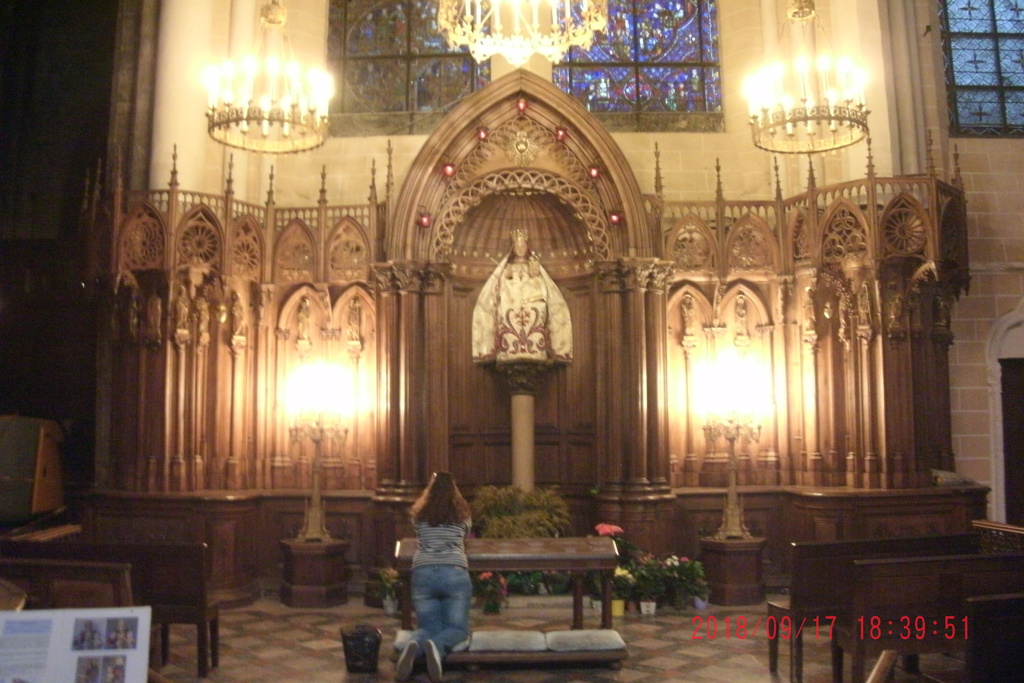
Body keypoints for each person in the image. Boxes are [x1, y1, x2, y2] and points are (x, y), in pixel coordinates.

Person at [395, 472, 472, 682]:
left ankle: (414, 645)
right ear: (454, 492)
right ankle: (436, 649)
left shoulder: (418, 516)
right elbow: (464, 535)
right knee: (458, 628)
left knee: (428, 627)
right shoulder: (462, 515)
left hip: (423, 572)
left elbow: (419, 533)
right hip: (453, 572)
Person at [471, 229, 572, 364]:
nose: (520, 249)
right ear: (513, 248)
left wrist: (535, 277)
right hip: (511, 306)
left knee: (537, 310)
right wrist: (506, 278)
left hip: (532, 305)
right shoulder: (508, 267)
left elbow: (543, 289)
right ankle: (509, 350)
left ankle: (535, 349)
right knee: (506, 309)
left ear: (527, 247)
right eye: (517, 246)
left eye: (523, 246)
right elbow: (499, 289)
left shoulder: (534, 266)